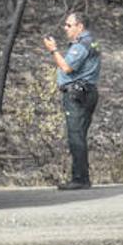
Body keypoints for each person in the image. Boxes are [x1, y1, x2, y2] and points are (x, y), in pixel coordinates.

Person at [42, 10, 100, 190]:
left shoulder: (82, 44)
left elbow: (66, 67)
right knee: (79, 136)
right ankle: (81, 177)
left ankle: (80, 179)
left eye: (69, 25)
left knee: (76, 137)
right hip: (87, 92)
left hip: (77, 95)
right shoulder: (91, 42)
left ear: (80, 26)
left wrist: (53, 50)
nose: (65, 28)